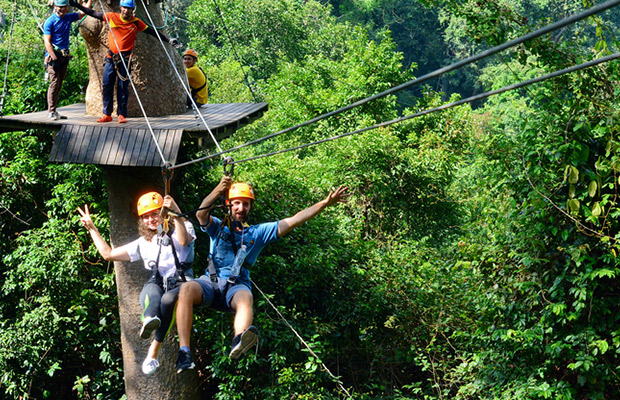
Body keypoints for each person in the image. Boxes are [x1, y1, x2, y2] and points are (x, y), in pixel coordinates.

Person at [174, 176, 350, 373]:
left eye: (246, 204)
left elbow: (293, 221)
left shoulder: (257, 233)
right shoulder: (217, 226)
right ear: (228, 205)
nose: (242, 208)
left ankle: (239, 340)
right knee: (187, 288)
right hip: (211, 282)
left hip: (236, 285)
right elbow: (201, 214)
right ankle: (185, 351)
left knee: (246, 297)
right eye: (237, 203)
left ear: (250, 207)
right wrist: (218, 189)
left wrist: (325, 203)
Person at [78, 192, 196, 375]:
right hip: (158, 282)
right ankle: (149, 320)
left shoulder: (183, 225)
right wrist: (92, 228)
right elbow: (108, 254)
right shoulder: (144, 242)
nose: (151, 220)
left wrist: (176, 212)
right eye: (146, 216)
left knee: (167, 301)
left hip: (181, 282)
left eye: (155, 214)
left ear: (164, 213)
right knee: (151, 293)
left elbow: (183, 240)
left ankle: (153, 351)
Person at [69, 0, 174, 123]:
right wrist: (77, 5)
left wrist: (168, 40)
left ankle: (121, 114)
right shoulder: (112, 17)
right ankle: (107, 114)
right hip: (111, 58)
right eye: (124, 8)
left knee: (122, 87)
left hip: (125, 59)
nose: (126, 10)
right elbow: (93, 13)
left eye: (128, 9)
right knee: (107, 85)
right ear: (120, 8)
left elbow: (152, 31)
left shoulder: (135, 22)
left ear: (132, 10)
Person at [43, 0, 92, 121]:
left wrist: (90, 1)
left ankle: (54, 110)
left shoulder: (68, 17)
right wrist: (54, 57)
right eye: (60, 7)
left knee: (59, 84)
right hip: (53, 56)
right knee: (54, 83)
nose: (62, 10)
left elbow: (83, 12)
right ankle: (51, 111)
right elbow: (47, 42)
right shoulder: (50, 21)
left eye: (64, 7)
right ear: (55, 7)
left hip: (64, 57)